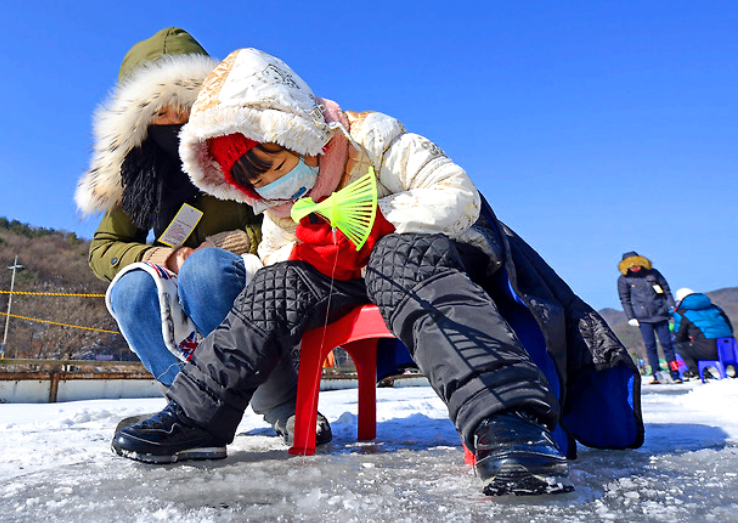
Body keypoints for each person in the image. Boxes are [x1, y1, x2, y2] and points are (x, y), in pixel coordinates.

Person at [111, 48, 644, 497]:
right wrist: (290, 256)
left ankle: (505, 422)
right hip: (338, 276)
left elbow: (456, 194)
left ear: (294, 130)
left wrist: (382, 224)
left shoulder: (374, 138)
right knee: (276, 286)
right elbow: (276, 253)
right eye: (254, 187)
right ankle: (196, 414)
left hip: (433, 259)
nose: (273, 191)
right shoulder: (278, 206)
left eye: (274, 167)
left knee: (395, 260)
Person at [75, 30, 331, 447]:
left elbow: (296, 211)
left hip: (259, 278)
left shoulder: (242, 144)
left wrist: (233, 242)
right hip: (184, 277)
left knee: (206, 270)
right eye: (160, 111)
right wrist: (166, 255)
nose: (175, 119)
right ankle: (189, 409)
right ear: (136, 120)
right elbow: (103, 250)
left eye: (185, 104)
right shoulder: (140, 175)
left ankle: (285, 404)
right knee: (132, 289)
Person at [617, 251, 682, 384]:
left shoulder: (653, 273)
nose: (635, 267)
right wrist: (631, 317)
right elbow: (624, 299)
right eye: (631, 265)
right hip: (642, 318)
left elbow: (666, 290)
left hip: (661, 314)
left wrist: (671, 306)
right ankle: (656, 374)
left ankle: (675, 373)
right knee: (650, 346)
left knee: (668, 345)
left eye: (637, 264)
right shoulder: (623, 279)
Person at [672, 288, 734, 379]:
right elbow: (729, 327)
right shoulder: (715, 308)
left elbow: (679, 336)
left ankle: (696, 372)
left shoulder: (682, 313)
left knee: (680, 345)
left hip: (709, 351)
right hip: (730, 349)